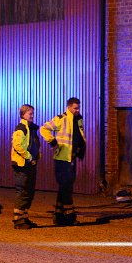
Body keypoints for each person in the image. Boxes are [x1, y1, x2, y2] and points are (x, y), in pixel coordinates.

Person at [41, 97, 86, 226]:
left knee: (65, 187)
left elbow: (79, 136)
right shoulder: (61, 118)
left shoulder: (78, 119)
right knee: (66, 187)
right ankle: (70, 215)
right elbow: (44, 128)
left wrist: (79, 150)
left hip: (71, 157)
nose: (77, 110)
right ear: (69, 107)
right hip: (62, 159)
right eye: (75, 108)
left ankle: (59, 215)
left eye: (78, 108)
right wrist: (52, 141)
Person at [10, 104, 41, 229]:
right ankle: (18, 220)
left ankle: (24, 217)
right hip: (22, 165)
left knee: (29, 192)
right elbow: (18, 146)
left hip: (29, 164)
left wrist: (36, 156)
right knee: (23, 191)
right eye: (29, 113)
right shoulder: (21, 128)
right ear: (23, 115)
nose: (32, 115)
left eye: (32, 113)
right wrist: (29, 156)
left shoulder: (30, 128)